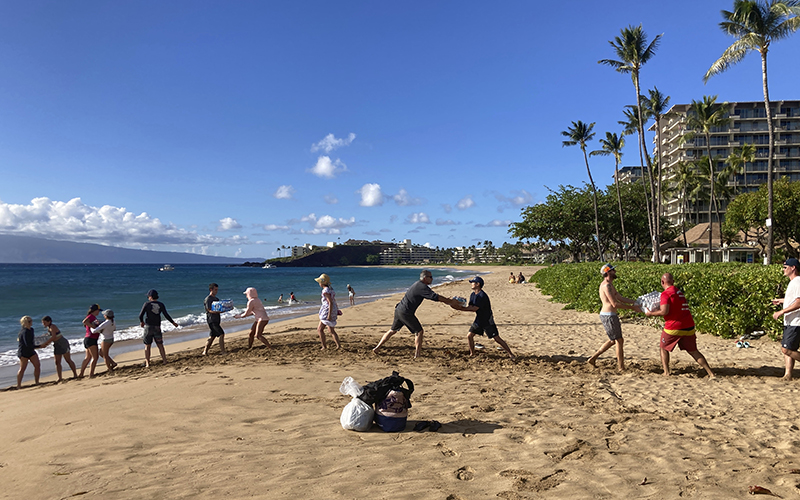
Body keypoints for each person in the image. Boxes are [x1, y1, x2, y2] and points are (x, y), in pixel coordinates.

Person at [373, 270, 461, 358]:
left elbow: (435, 297)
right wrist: (450, 301)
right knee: (419, 331)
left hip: (399, 309)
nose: (432, 279)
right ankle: (417, 354)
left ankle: (377, 348)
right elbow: (435, 297)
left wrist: (449, 302)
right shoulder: (421, 287)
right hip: (406, 312)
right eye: (430, 277)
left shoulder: (418, 285)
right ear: (425, 278)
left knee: (393, 330)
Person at [646, 272, 715, 378]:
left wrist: (651, 313)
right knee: (693, 351)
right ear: (673, 282)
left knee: (663, 347)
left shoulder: (666, 294)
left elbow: (664, 311)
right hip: (689, 325)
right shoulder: (679, 292)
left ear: (662, 282)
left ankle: (666, 372)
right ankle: (710, 373)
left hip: (674, 326)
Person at [587, 264, 640, 372]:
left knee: (613, 341)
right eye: (612, 270)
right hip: (609, 316)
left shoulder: (610, 285)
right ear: (607, 273)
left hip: (610, 315)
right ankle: (621, 367)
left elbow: (620, 298)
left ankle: (593, 358)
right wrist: (632, 308)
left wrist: (636, 302)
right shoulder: (606, 286)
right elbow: (615, 304)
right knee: (619, 340)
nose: (615, 272)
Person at [452, 276, 515, 360]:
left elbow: (474, 309)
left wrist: (460, 308)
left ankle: (511, 354)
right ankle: (472, 354)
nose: (471, 284)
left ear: (478, 284)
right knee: (469, 336)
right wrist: (460, 303)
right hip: (479, 319)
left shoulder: (482, 296)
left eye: (473, 282)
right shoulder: (473, 294)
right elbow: (470, 306)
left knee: (496, 338)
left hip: (487, 320)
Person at [772, 257, 800, 380]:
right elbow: (793, 300)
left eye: (785, 267)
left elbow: (799, 303)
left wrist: (781, 311)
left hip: (796, 322)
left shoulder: (798, 281)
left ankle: (788, 374)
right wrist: (782, 301)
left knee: (786, 349)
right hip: (790, 321)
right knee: (789, 347)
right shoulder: (793, 282)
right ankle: (788, 374)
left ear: (793, 268)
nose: (783, 269)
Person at [139, 289, 178, 367]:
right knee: (160, 344)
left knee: (147, 345)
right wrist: (173, 323)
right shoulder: (161, 304)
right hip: (157, 326)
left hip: (148, 326)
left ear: (150, 297)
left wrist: (142, 322)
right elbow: (166, 315)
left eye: (148, 296)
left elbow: (140, 315)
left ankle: (147, 363)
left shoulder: (146, 304)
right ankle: (164, 360)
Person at [40, 316, 77, 381]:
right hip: (56, 344)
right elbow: (50, 337)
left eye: (44, 323)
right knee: (57, 362)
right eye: (43, 323)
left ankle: (75, 374)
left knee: (68, 360)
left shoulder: (52, 327)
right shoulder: (49, 328)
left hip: (62, 343)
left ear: (49, 321)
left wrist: (45, 343)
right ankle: (60, 377)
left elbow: (53, 337)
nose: (43, 324)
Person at [315, 274, 341, 349]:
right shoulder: (330, 290)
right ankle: (338, 345)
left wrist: (329, 314)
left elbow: (330, 302)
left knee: (320, 329)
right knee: (331, 330)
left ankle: (324, 346)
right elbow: (333, 301)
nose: (319, 283)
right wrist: (336, 310)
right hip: (332, 309)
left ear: (322, 283)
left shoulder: (325, 291)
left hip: (327, 310)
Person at [16, 316, 41, 389]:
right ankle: (19, 385)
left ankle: (37, 382)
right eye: (29, 321)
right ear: (25, 323)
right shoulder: (24, 332)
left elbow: (32, 341)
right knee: (22, 368)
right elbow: (28, 344)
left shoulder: (31, 330)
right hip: (24, 352)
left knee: (37, 365)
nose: (31, 322)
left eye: (31, 321)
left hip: (31, 351)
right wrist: (39, 346)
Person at [203, 283, 226, 355]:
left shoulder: (216, 299)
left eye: (217, 290)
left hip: (217, 319)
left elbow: (219, 308)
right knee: (221, 334)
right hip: (211, 320)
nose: (216, 291)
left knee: (212, 336)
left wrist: (225, 309)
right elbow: (209, 310)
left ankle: (205, 351)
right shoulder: (208, 299)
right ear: (211, 289)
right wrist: (217, 312)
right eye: (215, 290)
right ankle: (223, 351)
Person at [79, 304, 102, 378]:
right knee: (95, 357)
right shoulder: (91, 317)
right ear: (95, 310)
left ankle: (81, 373)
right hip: (91, 339)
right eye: (98, 310)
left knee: (88, 357)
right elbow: (84, 322)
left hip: (87, 338)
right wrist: (94, 327)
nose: (99, 312)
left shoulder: (93, 317)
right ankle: (91, 374)